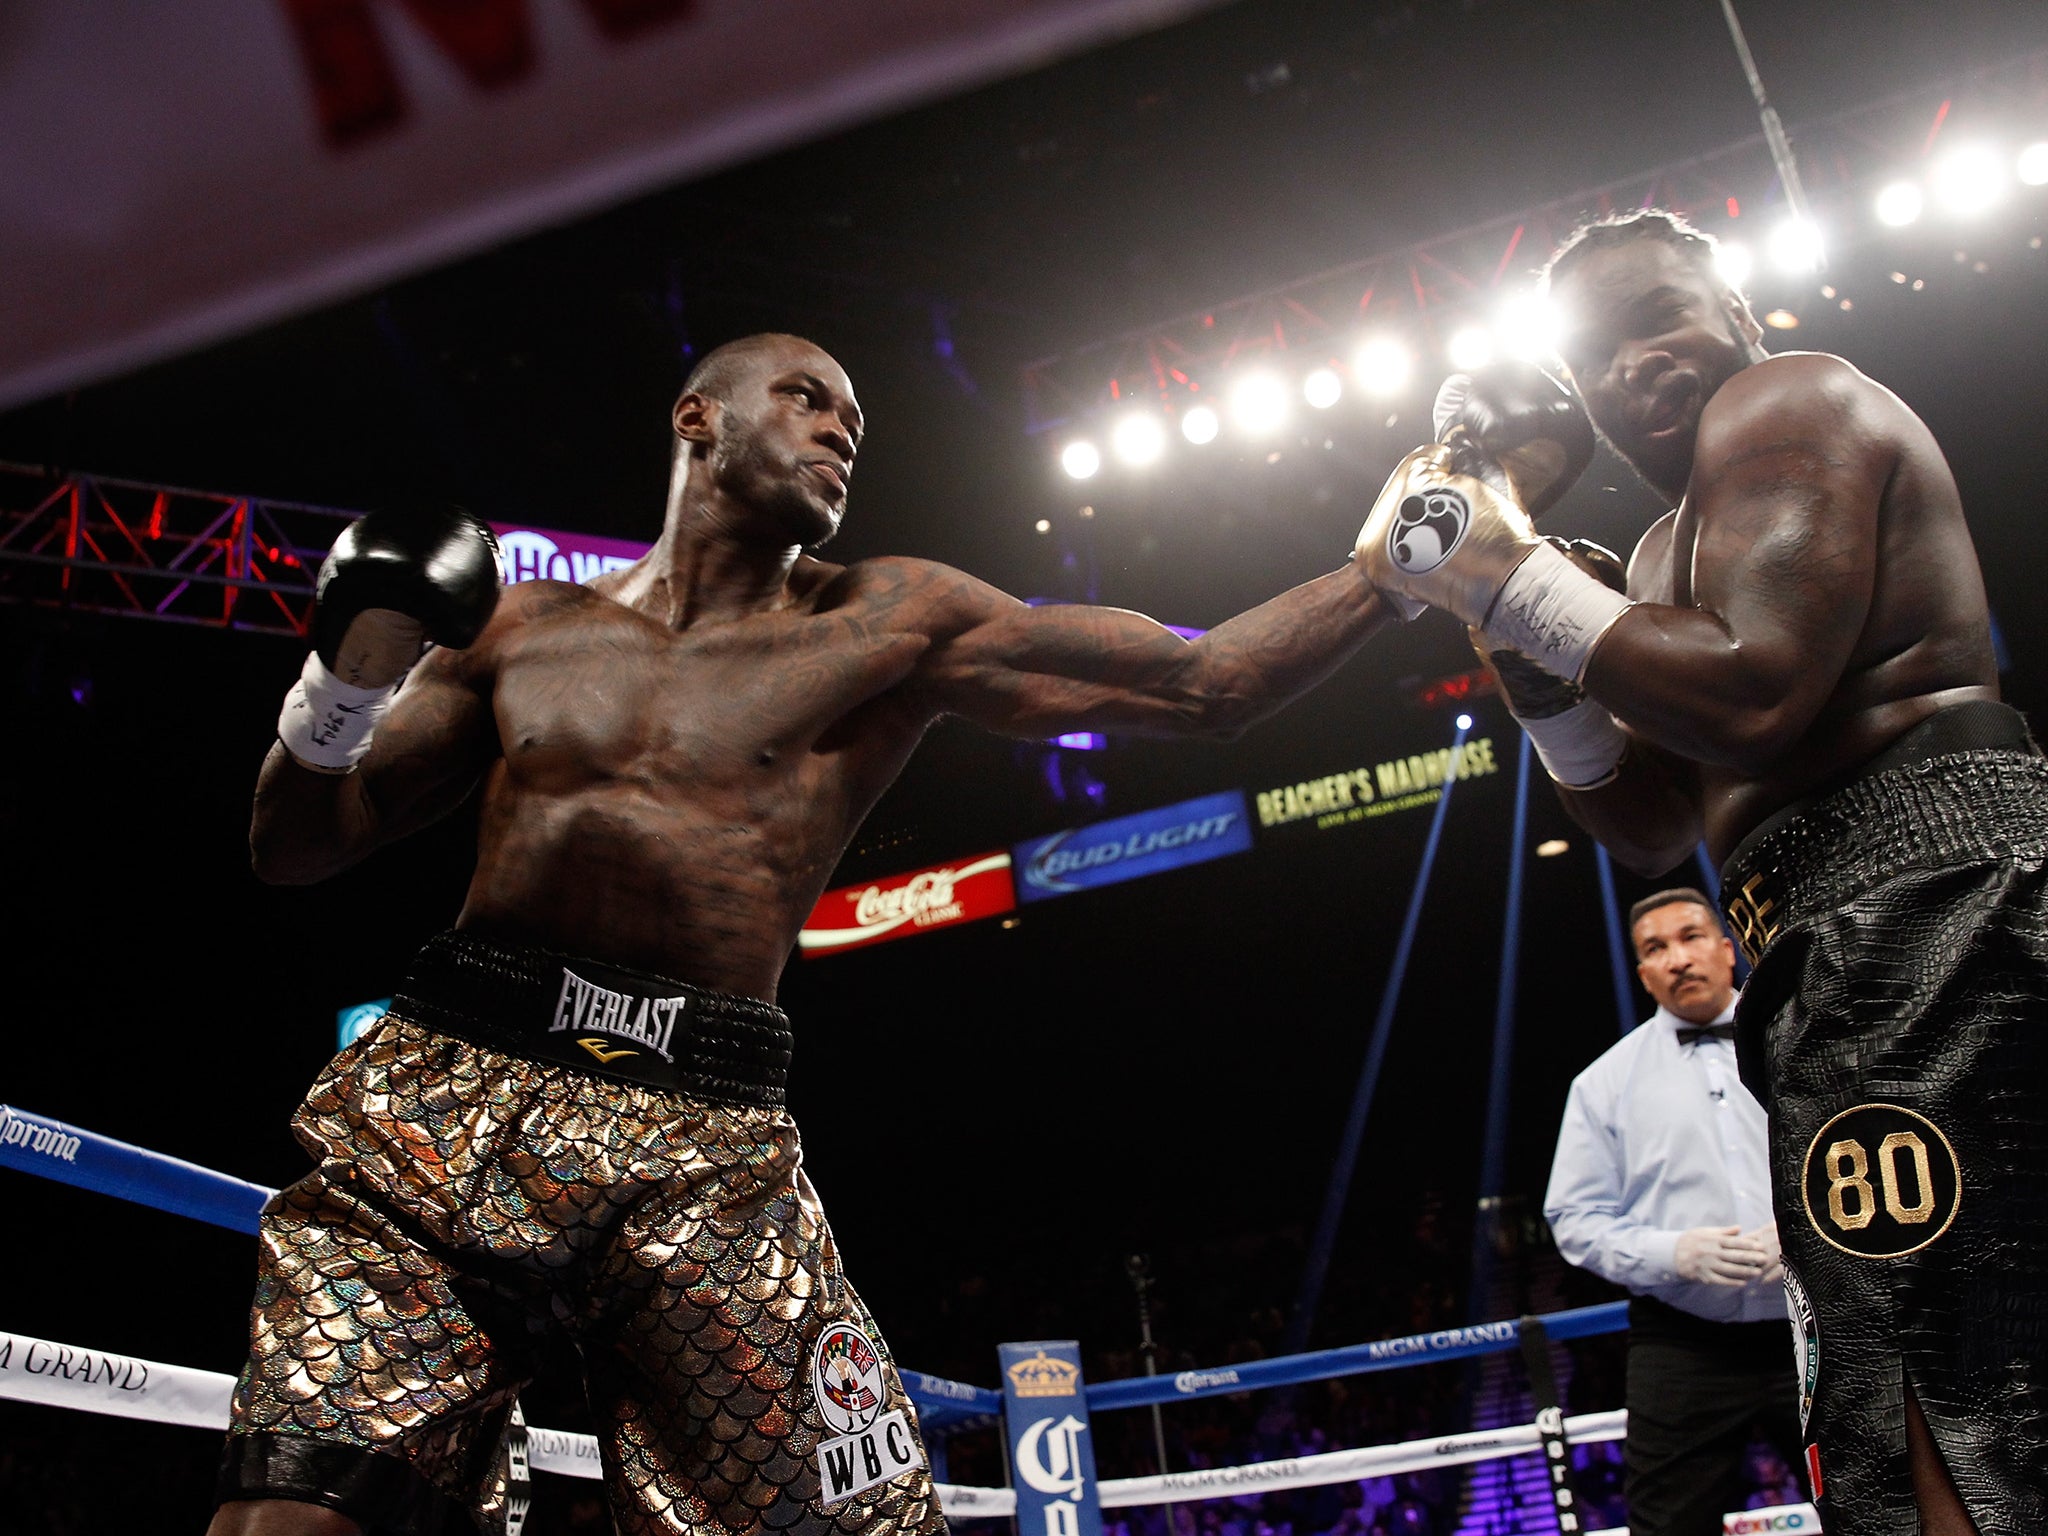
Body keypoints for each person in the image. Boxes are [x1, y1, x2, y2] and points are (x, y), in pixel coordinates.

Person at [209, 333, 1409, 1536]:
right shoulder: (521, 628)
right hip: (446, 1098)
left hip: (705, 1132)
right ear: (697, 418)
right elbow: (299, 845)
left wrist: (1400, 559)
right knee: (302, 1512)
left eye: (855, 422)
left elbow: (1204, 687)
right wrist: (347, 683)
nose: (841, 430)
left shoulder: (890, 621)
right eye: (805, 399)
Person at [1352, 210, 2047, 1534]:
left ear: (1739, 314)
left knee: (1934, 1371)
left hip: (1929, 900)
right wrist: (1522, 637)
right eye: (1603, 353)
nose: (1642, 366)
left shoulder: (1793, 400)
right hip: (1829, 942)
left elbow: (1757, 692)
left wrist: (1498, 560)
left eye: (1661, 317)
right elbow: (1654, 827)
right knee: (1911, 1361)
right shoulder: (1667, 552)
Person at [1544, 887, 1801, 1536]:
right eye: (1656, 948)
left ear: (1728, 948)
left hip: (1814, 1322)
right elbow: (1574, 1218)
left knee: (1878, 1503)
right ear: (1642, 973)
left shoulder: (1805, 1043)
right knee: (1665, 1525)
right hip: (1685, 1337)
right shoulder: (1604, 1084)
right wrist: (1672, 1253)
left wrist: (1804, 1235)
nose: (1678, 958)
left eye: (1691, 937)